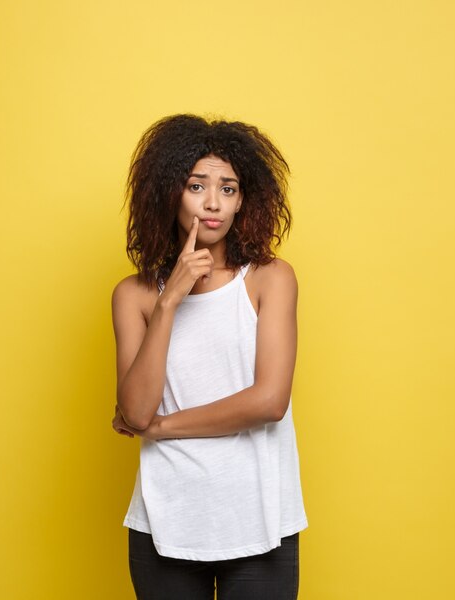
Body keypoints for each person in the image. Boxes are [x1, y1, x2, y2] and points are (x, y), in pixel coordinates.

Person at [110, 114, 307, 599]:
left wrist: (161, 427)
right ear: (169, 192)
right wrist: (170, 298)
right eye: (197, 185)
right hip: (164, 521)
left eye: (229, 188)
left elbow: (268, 401)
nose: (213, 203)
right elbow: (134, 410)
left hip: (262, 520)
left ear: (246, 201)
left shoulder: (269, 279)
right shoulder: (134, 295)